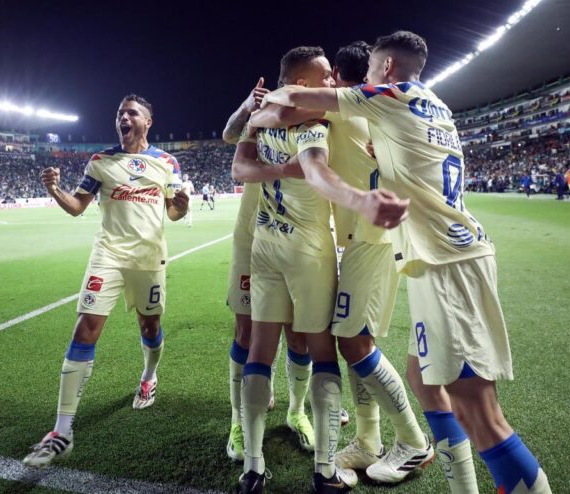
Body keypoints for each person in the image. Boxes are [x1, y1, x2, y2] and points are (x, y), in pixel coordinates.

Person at [263, 30, 552, 494]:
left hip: (445, 259)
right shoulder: (434, 106)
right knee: (422, 377)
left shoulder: (388, 94)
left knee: (480, 413)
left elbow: (289, 99)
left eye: (374, 69)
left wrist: (269, 93)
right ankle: (426, 464)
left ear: (388, 69)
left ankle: (415, 446)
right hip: (435, 255)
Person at [251, 41, 437, 487]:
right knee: (356, 339)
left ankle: (414, 442)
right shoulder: (379, 110)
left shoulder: (342, 109)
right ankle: (369, 441)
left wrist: (256, 109)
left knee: (353, 343)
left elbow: (278, 112)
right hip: (368, 240)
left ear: (337, 76)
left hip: (370, 239)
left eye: (330, 79)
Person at [22, 93, 189, 468]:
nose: (123, 117)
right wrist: (53, 189)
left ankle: (149, 375)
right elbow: (77, 207)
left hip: (148, 257)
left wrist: (183, 204)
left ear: (148, 121)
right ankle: (62, 430)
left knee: (150, 326)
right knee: (85, 328)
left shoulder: (166, 162)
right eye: (119, 113)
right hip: (108, 255)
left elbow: (174, 213)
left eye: (132, 113)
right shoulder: (101, 161)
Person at [222, 79, 314, 466]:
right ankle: (238, 420)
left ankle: (297, 410)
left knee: (299, 335)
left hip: (298, 239)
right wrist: (247, 105)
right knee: (246, 330)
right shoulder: (260, 118)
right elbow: (229, 135)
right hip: (251, 237)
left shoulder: (317, 120)